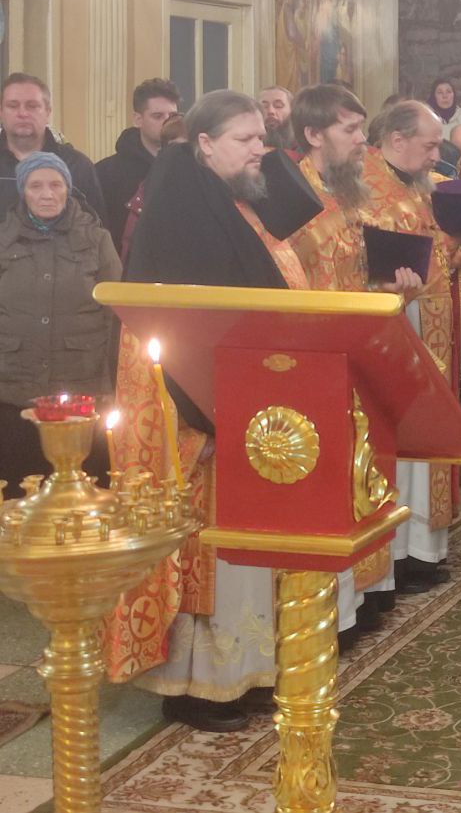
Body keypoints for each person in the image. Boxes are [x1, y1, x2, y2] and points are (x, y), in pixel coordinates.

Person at [116, 90, 293, 732]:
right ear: (206, 144)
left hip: (231, 395)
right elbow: (184, 326)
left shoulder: (219, 197)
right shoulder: (184, 209)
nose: (260, 149)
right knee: (203, 550)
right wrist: (213, 412)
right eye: (246, 139)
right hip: (191, 409)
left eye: (262, 137)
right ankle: (193, 688)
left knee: (241, 546)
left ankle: (243, 672)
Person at [286, 83, 423, 646]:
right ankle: (328, 614)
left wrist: (392, 290)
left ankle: (360, 598)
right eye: (349, 129)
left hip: (358, 353)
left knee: (363, 477)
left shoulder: (351, 193)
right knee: (327, 487)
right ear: (313, 134)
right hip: (315, 361)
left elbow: (358, 275)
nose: (362, 141)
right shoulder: (292, 199)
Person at [366, 99, 461, 592]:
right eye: (430, 145)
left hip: (428, 329)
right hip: (389, 331)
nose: (438, 156)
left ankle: (422, 549)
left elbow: (439, 264)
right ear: (397, 140)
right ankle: (393, 554)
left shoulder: (425, 186)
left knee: (426, 439)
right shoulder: (363, 189)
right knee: (394, 443)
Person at [0, 152, 119, 495]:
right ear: (23, 192)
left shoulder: (97, 240)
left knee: (81, 496)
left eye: (55, 185)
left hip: (82, 390)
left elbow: (116, 312)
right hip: (14, 391)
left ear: (68, 188)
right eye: (36, 186)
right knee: (19, 495)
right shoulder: (3, 240)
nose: (47, 194)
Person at [1, 72, 105, 221]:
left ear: (48, 112)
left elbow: (97, 227)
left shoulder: (77, 166)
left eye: (32, 106)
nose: (22, 113)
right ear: (1, 112)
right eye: (13, 106)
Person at [96, 78, 181, 251]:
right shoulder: (106, 173)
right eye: (157, 116)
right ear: (138, 119)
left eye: (172, 116)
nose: (167, 122)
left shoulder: (192, 168)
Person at [258, 85, 295, 151]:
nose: (270, 111)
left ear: (292, 109)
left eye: (278, 106)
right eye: (264, 106)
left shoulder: (305, 143)